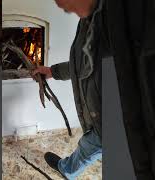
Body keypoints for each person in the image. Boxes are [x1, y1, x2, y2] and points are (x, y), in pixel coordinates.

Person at [31, 0, 109, 179]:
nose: (58, 5)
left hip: (110, 123)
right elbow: (82, 64)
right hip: (99, 120)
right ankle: (68, 169)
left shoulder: (122, 25)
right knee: (90, 145)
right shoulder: (89, 19)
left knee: (90, 145)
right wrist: (52, 71)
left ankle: (67, 170)